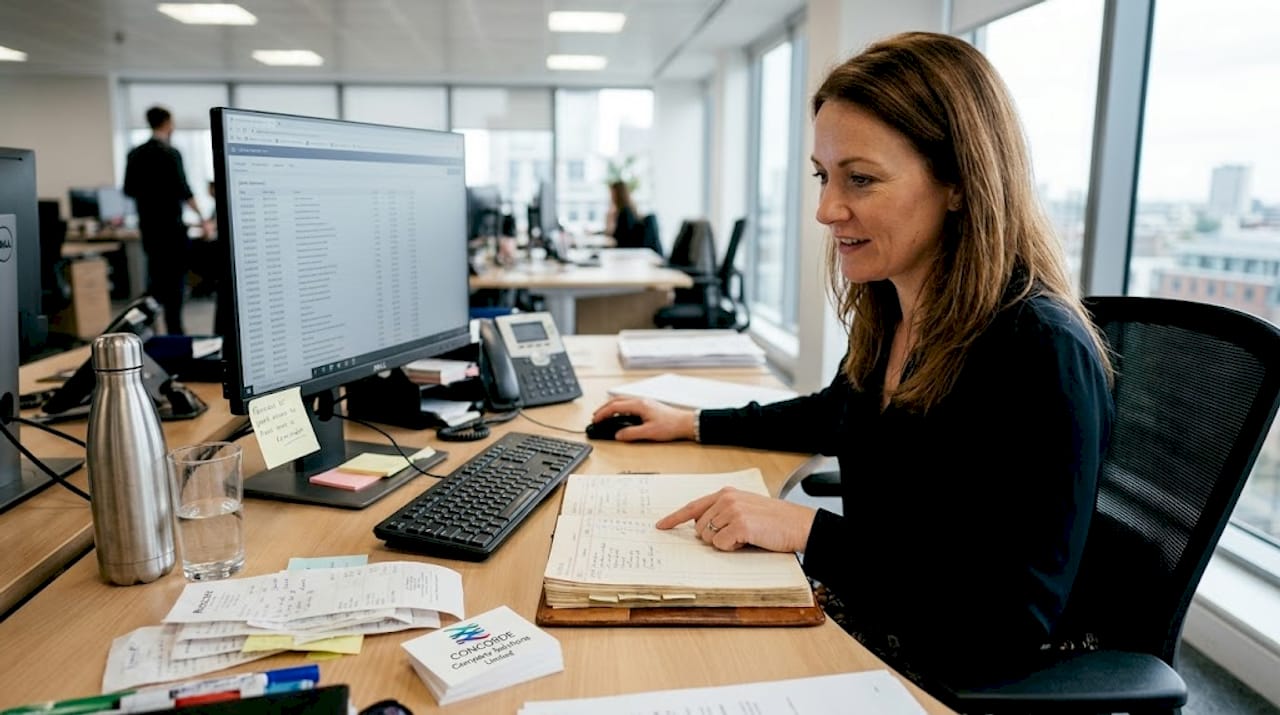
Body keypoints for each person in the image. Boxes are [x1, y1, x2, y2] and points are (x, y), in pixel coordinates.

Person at [591, 31, 1115, 693]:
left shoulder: (1037, 348)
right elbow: (837, 412)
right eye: (823, 175)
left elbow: (1008, 616)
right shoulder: (897, 307)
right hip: (881, 611)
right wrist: (689, 420)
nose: (825, 209)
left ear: (958, 182)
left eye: (859, 179)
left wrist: (809, 530)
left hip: (963, 669)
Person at [123, 105, 211, 335]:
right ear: (167, 123)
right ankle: (175, 331)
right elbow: (184, 190)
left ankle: (146, 328)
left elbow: (128, 190)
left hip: (150, 228)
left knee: (155, 281)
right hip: (172, 229)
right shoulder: (170, 153)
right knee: (175, 284)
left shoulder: (135, 153)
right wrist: (203, 219)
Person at [603, 180, 644, 248]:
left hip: (626, 250)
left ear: (618, 194)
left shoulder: (625, 213)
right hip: (626, 249)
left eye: (612, 193)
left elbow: (618, 237)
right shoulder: (627, 210)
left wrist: (609, 219)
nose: (610, 197)